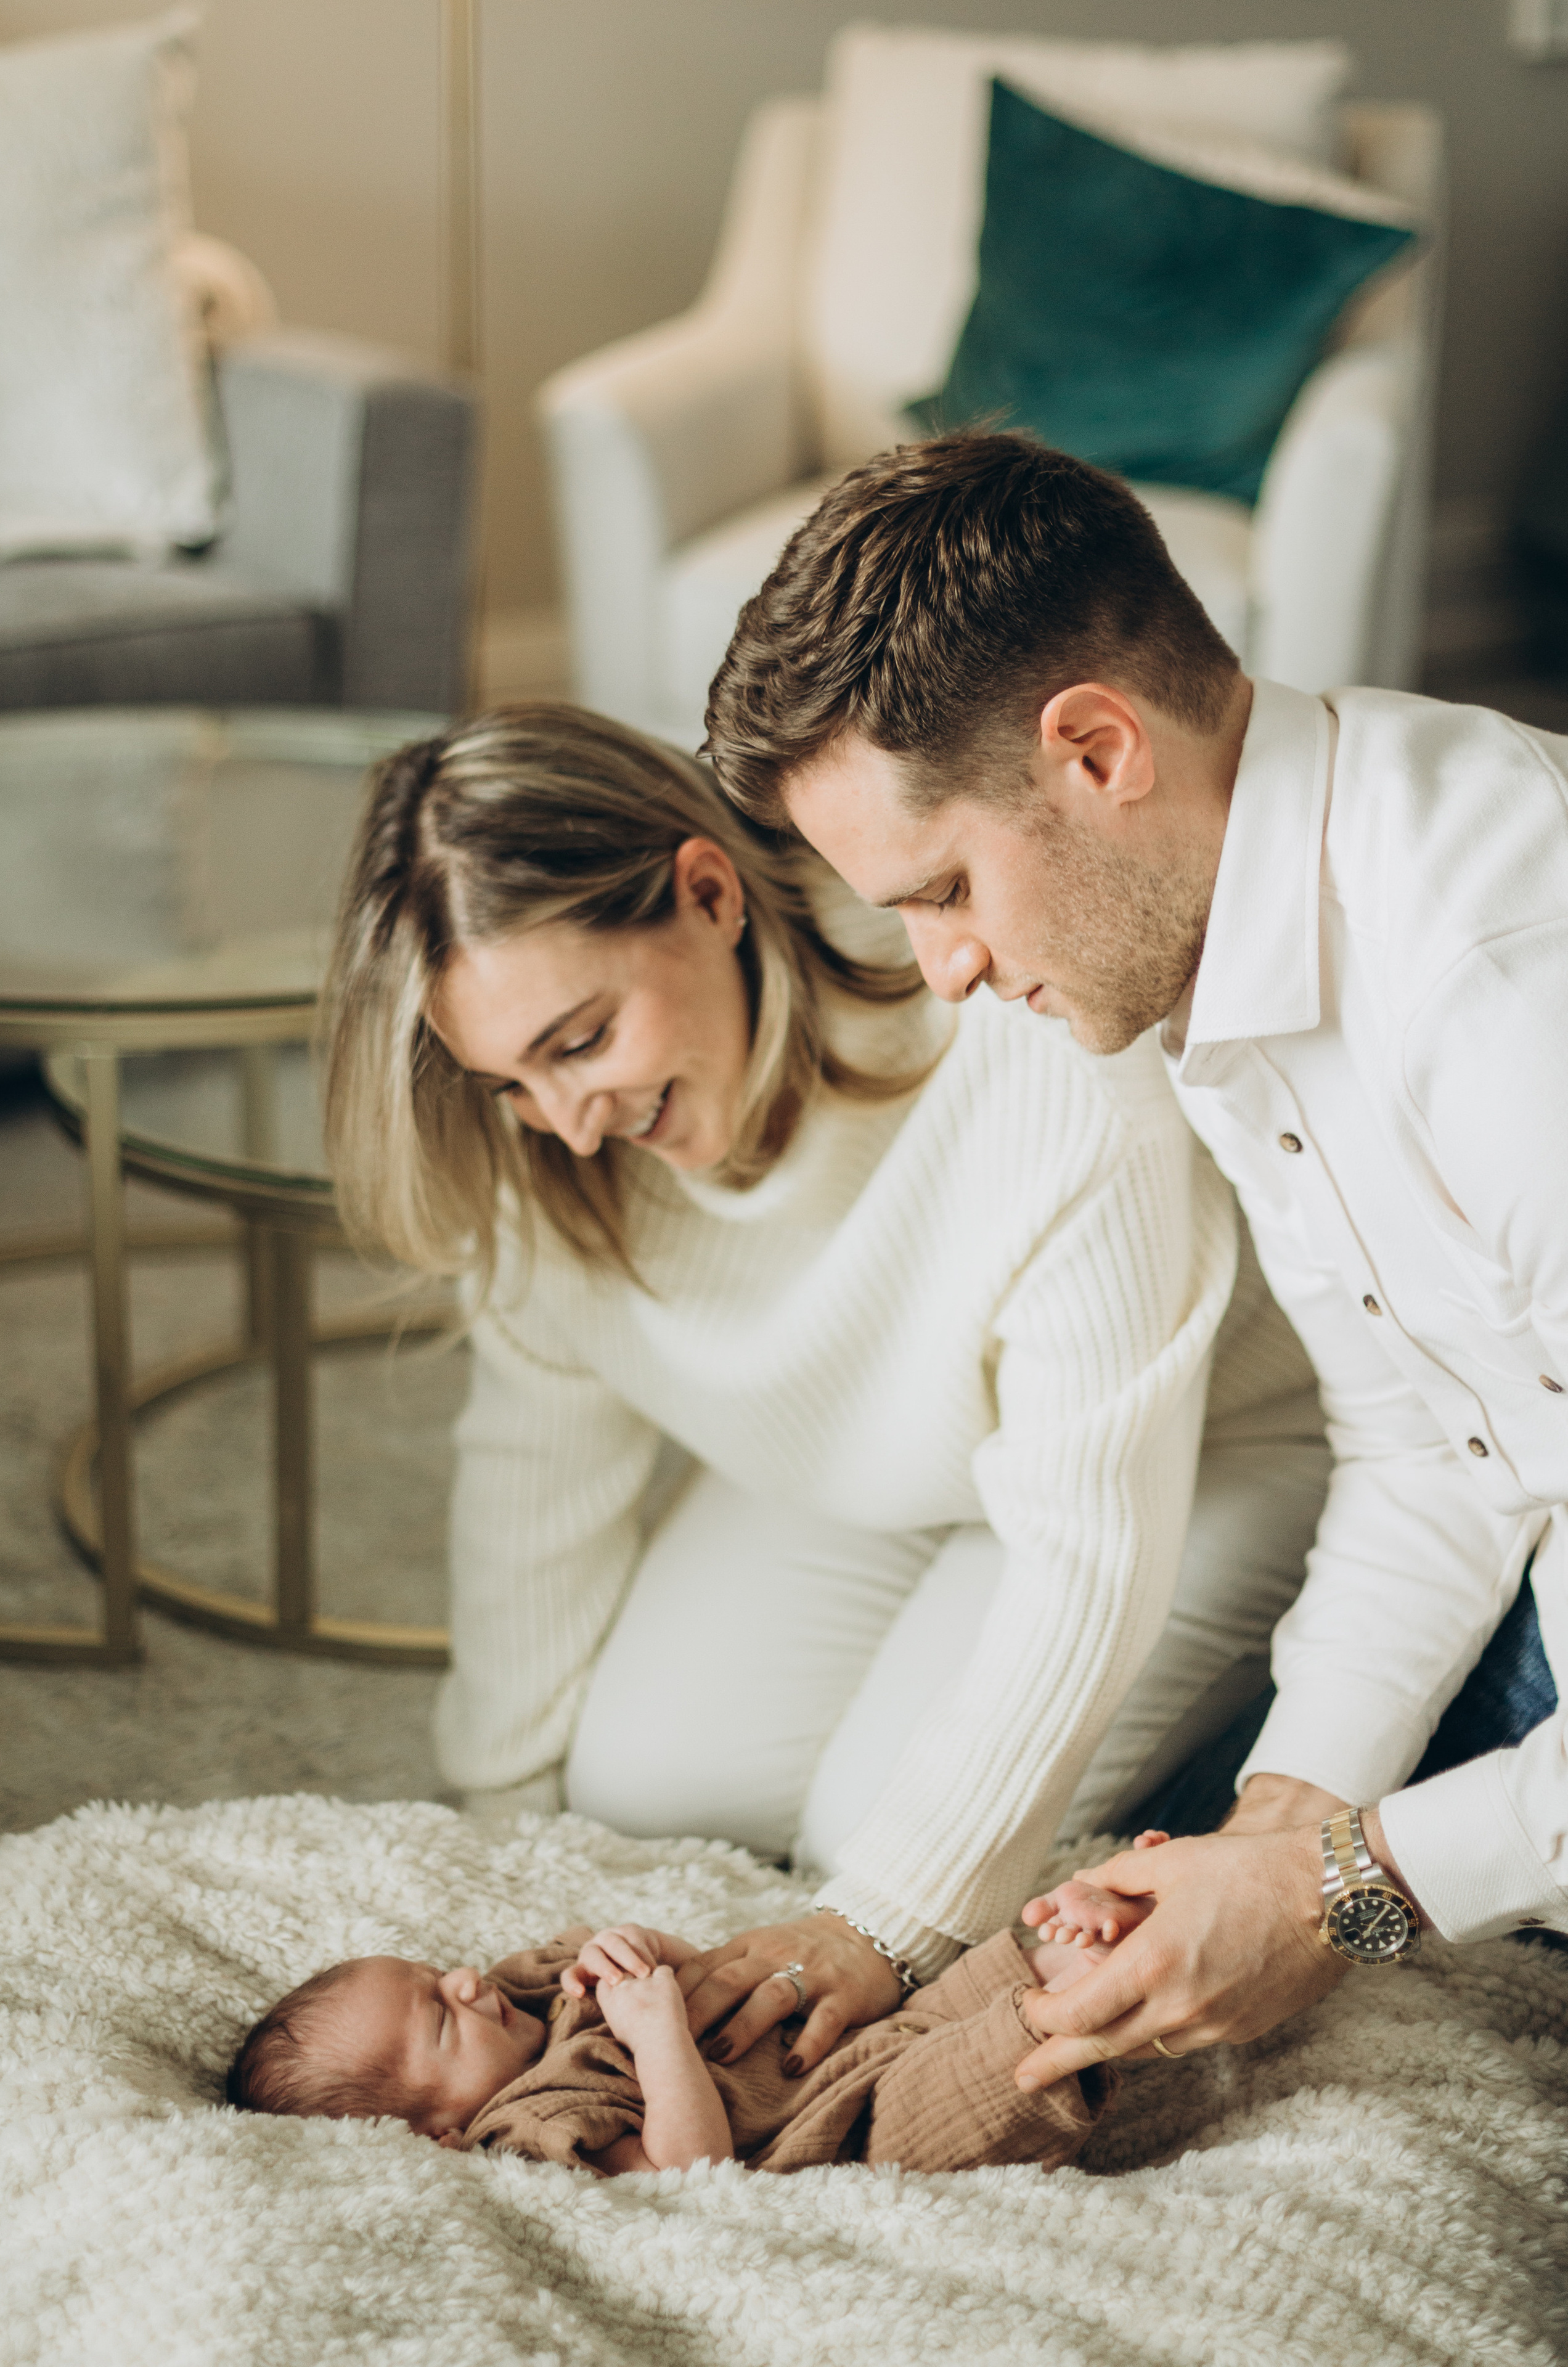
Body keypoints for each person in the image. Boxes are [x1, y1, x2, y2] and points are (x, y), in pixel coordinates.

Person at [702, 426, 1567, 2095]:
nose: (942, 970)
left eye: (945, 887)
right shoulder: (1214, 942)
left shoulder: (1503, 981)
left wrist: (1346, 1900)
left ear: (1098, 749)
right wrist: (1287, 1827)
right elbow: (1429, 1443)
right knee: (1186, 1860)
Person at [322, 702, 1323, 2083]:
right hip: (889, 1460)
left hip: (1194, 1450)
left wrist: (886, 1918)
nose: (566, 1122)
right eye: (507, 1082)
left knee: (876, 1839)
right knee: (644, 1788)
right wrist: (502, 1833)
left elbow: (1086, 1555)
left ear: (708, 892)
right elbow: (531, 1487)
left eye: (581, 1039)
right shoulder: (550, 1158)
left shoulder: (1014, 1040)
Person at [223, 1906, 1139, 2173]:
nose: (465, 1985)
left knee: (1017, 1956)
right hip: (851, 2128)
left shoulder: (534, 1992)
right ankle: (1129, 1976)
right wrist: (656, 2035)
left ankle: (1110, 1929)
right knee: (1022, 2046)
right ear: (437, 2132)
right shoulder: (529, 2129)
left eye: (434, 1975)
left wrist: (655, 1958)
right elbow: (686, 2172)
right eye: (438, 2018)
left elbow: (714, 1993)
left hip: (858, 2035)